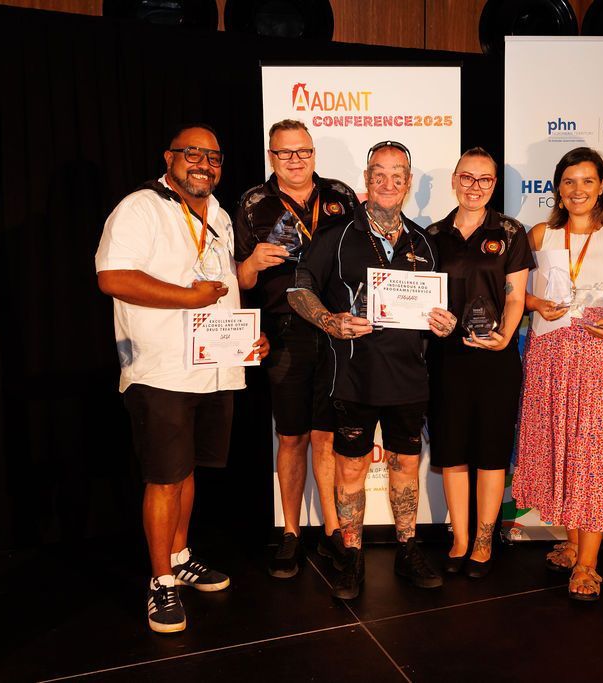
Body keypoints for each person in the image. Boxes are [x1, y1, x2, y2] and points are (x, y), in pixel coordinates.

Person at [95, 124, 269, 634]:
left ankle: (180, 554)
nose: (204, 164)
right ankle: (161, 582)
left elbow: (224, 286)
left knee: (187, 469)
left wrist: (247, 340)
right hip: (161, 368)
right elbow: (112, 277)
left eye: (213, 157)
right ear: (169, 157)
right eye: (192, 154)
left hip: (213, 368)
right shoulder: (140, 207)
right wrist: (185, 298)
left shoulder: (218, 214)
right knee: (164, 477)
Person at [288, 140, 457, 600]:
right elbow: (298, 289)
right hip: (354, 378)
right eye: (378, 174)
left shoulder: (424, 241)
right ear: (366, 181)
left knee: (405, 466)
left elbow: (438, 308)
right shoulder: (336, 235)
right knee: (351, 471)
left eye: (397, 175)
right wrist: (329, 320)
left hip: (408, 379)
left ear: (407, 183)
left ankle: (407, 548)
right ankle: (351, 554)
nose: (387, 183)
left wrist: (445, 322)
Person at [512, 147, 603, 602]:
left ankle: (588, 565)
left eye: (587, 181)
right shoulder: (539, 235)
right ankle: (573, 541)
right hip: (550, 355)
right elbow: (511, 288)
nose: (578, 190)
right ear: (557, 188)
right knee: (563, 446)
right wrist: (534, 303)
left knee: (594, 453)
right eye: (569, 182)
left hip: (601, 354)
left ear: (602, 187)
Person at [234, 120, 358, 578]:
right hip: (285, 330)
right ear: (271, 156)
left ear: (313, 153)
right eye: (285, 153)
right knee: (291, 436)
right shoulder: (253, 203)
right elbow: (240, 280)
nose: (295, 160)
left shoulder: (341, 195)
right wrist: (252, 262)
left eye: (303, 151)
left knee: (326, 434)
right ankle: (289, 532)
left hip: (331, 327)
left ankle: (329, 530)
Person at [425, 148, 533, 578]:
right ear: (454, 180)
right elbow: (421, 296)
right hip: (446, 357)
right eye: (467, 178)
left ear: (494, 185)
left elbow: (515, 294)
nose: (475, 187)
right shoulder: (431, 234)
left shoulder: (510, 231)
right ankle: (460, 539)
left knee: (490, 451)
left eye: (484, 180)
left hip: (495, 359)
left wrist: (505, 335)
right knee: (452, 450)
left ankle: (485, 541)